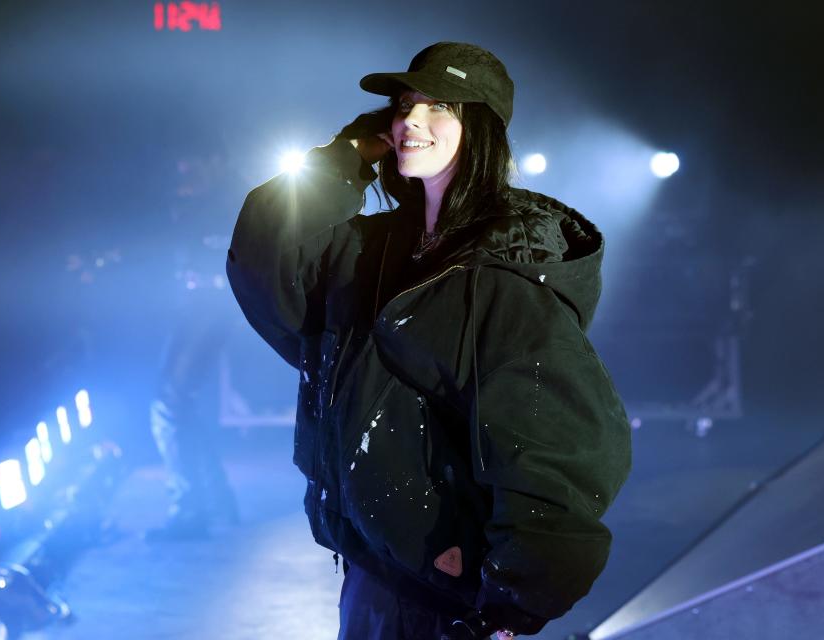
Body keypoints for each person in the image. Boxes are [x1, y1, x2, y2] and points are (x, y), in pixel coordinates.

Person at [226, 42, 632, 639]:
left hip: (448, 596)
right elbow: (263, 256)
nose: (411, 119)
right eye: (403, 105)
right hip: (370, 569)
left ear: (484, 131)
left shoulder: (502, 271)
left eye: (440, 105)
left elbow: (560, 443)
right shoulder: (369, 248)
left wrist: (511, 600)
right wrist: (345, 157)